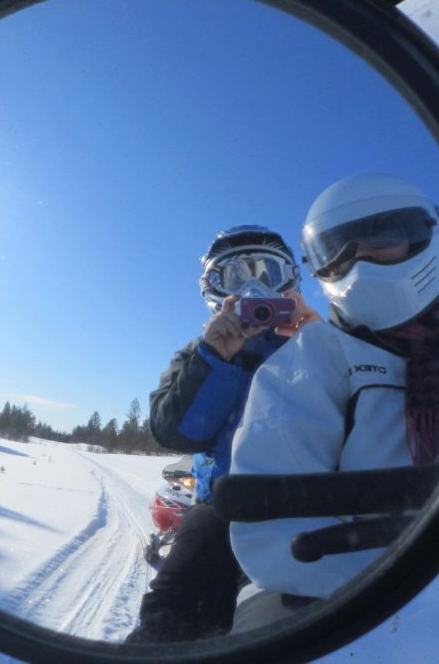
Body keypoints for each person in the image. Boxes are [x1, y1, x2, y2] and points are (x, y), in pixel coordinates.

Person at [226, 174, 439, 630]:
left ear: (425, 234)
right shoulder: (312, 357)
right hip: (357, 601)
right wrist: (415, 585)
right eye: (338, 252)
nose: (359, 263)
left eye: (383, 236)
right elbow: (275, 536)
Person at [125, 225, 303, 643]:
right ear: (214, 289)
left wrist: (315, 344)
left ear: (290, 281)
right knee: (173, 609)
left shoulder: (317, 342)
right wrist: (217, 359)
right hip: (224, 502)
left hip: (311, 500)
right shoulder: (200, 351)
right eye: (236, 277)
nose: (254, 287)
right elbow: (175, 432)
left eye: (267, 272)